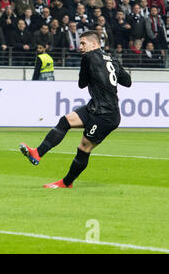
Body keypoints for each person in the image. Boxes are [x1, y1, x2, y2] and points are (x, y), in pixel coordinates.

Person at [19, 30, 132, 188]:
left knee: (84, 147)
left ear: (95, 43)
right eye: (80, 43)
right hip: (95, 107)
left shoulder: (88, 57)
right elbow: (127, 82)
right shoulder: (112, 59)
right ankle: (37, 153)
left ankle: (66, 183)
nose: (80, 47)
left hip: (105, 115)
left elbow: (81, 84)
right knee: (65, 121)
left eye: (83, 43)